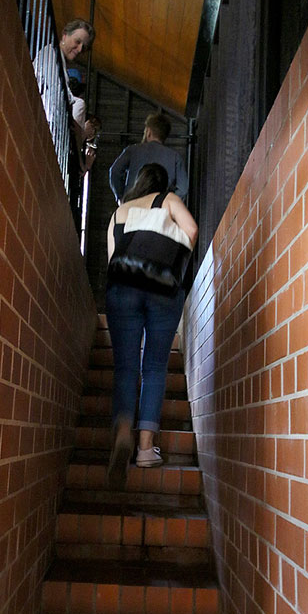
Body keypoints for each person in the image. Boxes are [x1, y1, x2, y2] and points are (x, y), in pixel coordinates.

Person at [105, 163, 198, 488]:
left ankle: (121, 431)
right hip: (161, 290)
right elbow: (191, 230)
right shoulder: (169, 199)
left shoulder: (120, 212)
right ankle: (145, 448)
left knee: (126, 368)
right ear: (162, 185)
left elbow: (111, 258)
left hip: (122, 289)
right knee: (155, 366)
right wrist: (172, 263)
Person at [109, 113, 189, 203]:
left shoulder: (133, 150)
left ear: (148, 132)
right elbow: (183, 189)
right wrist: (168, 204)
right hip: (159, 207)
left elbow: (115, 171)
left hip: (133, 204)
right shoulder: (175, 157)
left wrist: (120, 197)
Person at [34, 18, 95, 136]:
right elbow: (55, 97)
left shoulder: (59, 63)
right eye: (77, 41)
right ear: (65, 35)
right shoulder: (51, 54)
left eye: (84, 47)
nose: (80, 49)